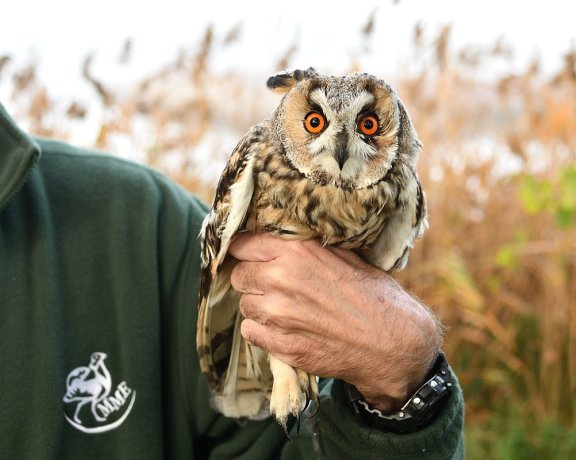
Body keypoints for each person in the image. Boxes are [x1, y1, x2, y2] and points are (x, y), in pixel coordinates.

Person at [0, 103, 464, 459]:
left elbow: (290, 442)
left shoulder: (144, 222)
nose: (340, 144)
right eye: (317, 124)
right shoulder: (249, 171)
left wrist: (401, 386)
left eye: (367, 126)